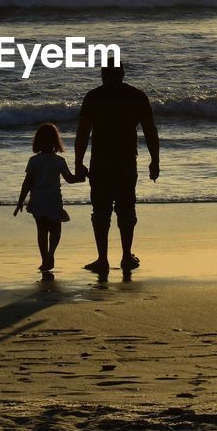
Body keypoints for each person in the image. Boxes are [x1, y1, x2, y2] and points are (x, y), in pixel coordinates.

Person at [75, 62, 159, 274]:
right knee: (126, 209)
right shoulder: (136, 96)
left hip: (101, 161)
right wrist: (155, 160)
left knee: (101, 210)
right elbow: (150, 130)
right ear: (122, 74)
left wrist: (78, 162)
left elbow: (83, 132)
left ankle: (103, 258)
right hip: (125, 161)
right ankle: (125, 256)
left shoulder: (93, 97)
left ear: (103, 75)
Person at [14, 123, 86, 273]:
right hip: (54, 199)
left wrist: (20, 202)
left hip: (38, 199)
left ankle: (45, 258)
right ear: (56, 141)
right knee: (55, 229)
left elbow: (27, 183)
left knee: (41, 231)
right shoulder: (59, 161)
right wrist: (81, 177)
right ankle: (51, 254)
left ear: (37, 142)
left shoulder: (34, 160)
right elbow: (69, 179)